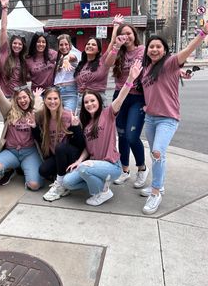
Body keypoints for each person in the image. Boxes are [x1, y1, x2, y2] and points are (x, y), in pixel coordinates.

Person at [139, 23, 208, 215]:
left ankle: (155, 193)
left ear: (164, 50)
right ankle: (158, 185)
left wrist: (203, 33)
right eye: (151, 47)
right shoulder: (145, 69)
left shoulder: (170, 63)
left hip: (167, 119)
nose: (153, 49)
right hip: (150, 118)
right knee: (156, 155)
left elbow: (188, 50)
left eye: (158, 47)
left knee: (157, 153)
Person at [63, 60, 142, 206]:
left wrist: (130, 79)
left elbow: (121, 97)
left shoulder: (108, 114)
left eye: (92, 101)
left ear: (98, 101)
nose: (89, 104)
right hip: (94, 164)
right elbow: (88, 148)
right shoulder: (85, 124)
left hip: (111, 165)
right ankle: (102, 185)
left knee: (85, 169)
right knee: (67, 182)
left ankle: (102, 192)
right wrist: (79, 161)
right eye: (86, 102)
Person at [0, 70, 44, 191]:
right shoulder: (9, 111)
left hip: (30, 152)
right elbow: (0, 98)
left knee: (34, 185)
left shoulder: (34, 114)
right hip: (11, 152)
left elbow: (40, 108)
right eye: (19, 98)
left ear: (29, 98)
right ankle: (11, 168)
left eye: (25, 97)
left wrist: (37, 97)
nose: (22, 100)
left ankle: (22, 168)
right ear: (15, 100)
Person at [111, 23, 148, 188]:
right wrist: (115, 44)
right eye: (122, 34)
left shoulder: (142, 50)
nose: (126, 37)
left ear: (134, 34)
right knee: (122, 135)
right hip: (120, 96)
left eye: (129, 33)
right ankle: (125, 170)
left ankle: (142, 168)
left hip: (137, 98)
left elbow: (159, 62)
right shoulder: (118, 51)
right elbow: (107, 62)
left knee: (132, 136)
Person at [34, 86, 85, 201]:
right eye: (49, 99)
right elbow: (41, 140)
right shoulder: (43, 117)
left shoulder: (68, 115)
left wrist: (76, 127)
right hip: (57, 156)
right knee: (43, 170)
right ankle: (64, 178)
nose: (53, 102)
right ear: (45, 100)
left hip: (71, 155)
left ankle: (60, 185)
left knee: (60, 147)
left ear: (60, 100)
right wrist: (34, 127)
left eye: (55, 98)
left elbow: (80, 144)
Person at [74, 14, 124, 110]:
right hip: (81, 101)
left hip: (98, 100)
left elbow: (112, 42)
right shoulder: (81, 64)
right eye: (88, 44)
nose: (90, 46)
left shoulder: (103, 61)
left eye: (93, 44)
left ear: (98, 50)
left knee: (99, 125)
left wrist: (116, 25)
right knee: (81, 125)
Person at [0, 0, 28, 97]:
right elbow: (3, 29)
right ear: (11, 44)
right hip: (5, 97)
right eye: (15, 43)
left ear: (23, 46)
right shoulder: (4, 53)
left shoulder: (24, 60)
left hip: (20, 98)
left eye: (20, 44)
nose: (17, 46)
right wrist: (4, 8)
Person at [53, 34, 80, 112]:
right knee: (57, 119)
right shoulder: (58, 58)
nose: (64, 47)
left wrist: (66, 59)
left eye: (66, 44)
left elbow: (70, 57)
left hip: (70, 92)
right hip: (57, 91)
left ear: (70, 45)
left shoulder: (74, 55)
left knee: (68, 118)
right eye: (61, 45)